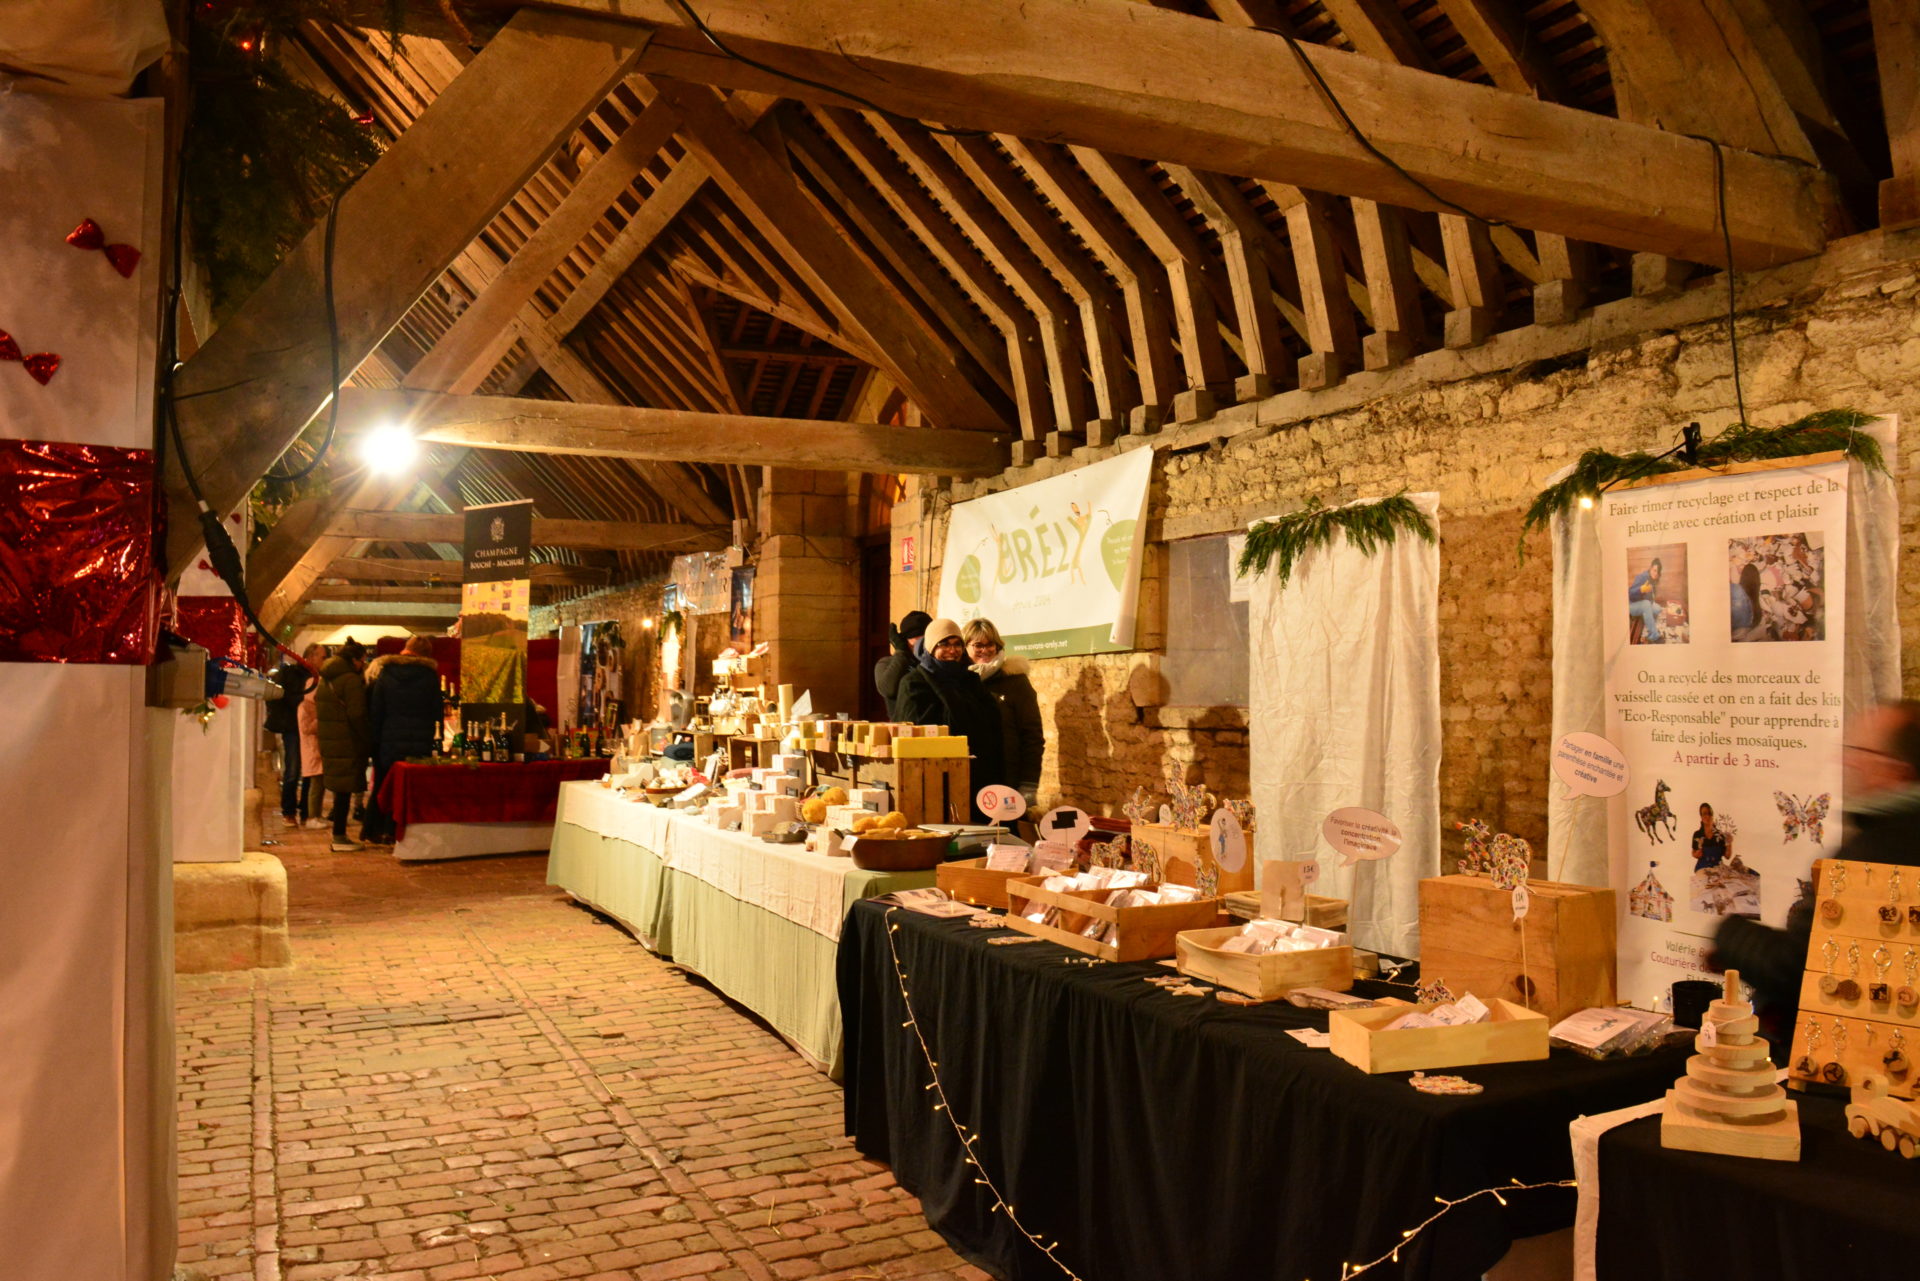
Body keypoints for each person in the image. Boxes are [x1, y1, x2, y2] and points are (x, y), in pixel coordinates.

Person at [1715, 700, 1920, 1054]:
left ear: (1897, 770)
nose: (1846, 761)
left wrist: (1730, 935)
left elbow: (1810, 968)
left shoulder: (1878, 852)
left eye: (1861, 752)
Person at [894, 617, 1005, 825]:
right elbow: (914, 733)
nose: (952, 651)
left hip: (978, 776)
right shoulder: (914, 683)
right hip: (933, 780)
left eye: (957, 644)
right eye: (943, 644)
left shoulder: (971, 681)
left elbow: (991, 727)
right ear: (931, 647)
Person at [360, 636, 443, 845]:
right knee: (409, 788)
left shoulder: (386, 672)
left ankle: (373, 829)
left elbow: (377, 711)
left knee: (383, 784)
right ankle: (397, 831)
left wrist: (375, 741)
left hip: (389, 739)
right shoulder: (429, 676)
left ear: (406, 648)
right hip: (420, 740)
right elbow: (436, 711)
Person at [964, 618, 1044, 809]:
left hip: (1007, 779)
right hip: (967, 778)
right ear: (966, 647)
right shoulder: (960, 682)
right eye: (978, 645)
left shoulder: (1015, 682)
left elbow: (1032, 735)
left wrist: (1029, 784)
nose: (985, 650)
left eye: (990, 644)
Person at [314, 638, 371, 852]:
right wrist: (368, 738)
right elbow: (357, 714)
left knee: (340, 789)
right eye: (362, 660)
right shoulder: (350, 680)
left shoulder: (325, 679)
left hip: (331, 740)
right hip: (347, 741)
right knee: (345, 790)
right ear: (354, 660)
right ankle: (339, 837)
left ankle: (339, 836)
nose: (363, 665)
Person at [263, 649, 315, 826]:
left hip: (309, 727)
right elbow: (281, 697)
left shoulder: (316, 677)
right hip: (293, 727)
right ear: (310, 657)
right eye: (322, 657)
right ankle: (289, 811)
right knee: (293, 769)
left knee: (310, 769)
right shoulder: (291, 674)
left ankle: (306, 811)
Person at [874, 609, 932, 719]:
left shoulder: (936, 663)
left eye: (925, 638)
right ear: (905, 640)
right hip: (903, 726)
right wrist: (901, 652)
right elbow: (888, 689)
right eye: (916, 637)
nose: (921, 644)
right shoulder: (887, 663)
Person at [296, 644, 327, 827]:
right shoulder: (306, 708)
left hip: (317, 746)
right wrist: (321, 721)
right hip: (312, 746)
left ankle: (316, 815)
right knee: (315, 783)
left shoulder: (311, 708)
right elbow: (307, 727)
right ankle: (311, 816)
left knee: (320, 781)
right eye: (323, 657)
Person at [1628, 557, 1664, 643]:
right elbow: (1630, 594)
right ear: (1650, 568)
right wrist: (1641, 590)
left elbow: (1650, 598)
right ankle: (1654, 635)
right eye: (1654, 570)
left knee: (1658, 609)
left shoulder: (1653, 580)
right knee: (1646, 604)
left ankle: (1646, 618)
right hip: (1631, 606)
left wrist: (1651, 603)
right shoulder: (1641, 577)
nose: (1656, 574)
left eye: (1658, 572)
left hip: (1642, 604)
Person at [1690, 803, 1728, 871]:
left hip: (1718, 869)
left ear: (1712, 815)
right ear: (1701, 816)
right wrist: (1696, 854)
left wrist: (1729, 843)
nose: (1707, 816)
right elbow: (1693, 852)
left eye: (1709, 813)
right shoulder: (1697, 834)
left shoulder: (1720, 834)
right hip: (1702, 868)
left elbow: (1727, 856)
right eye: (1704, 814)